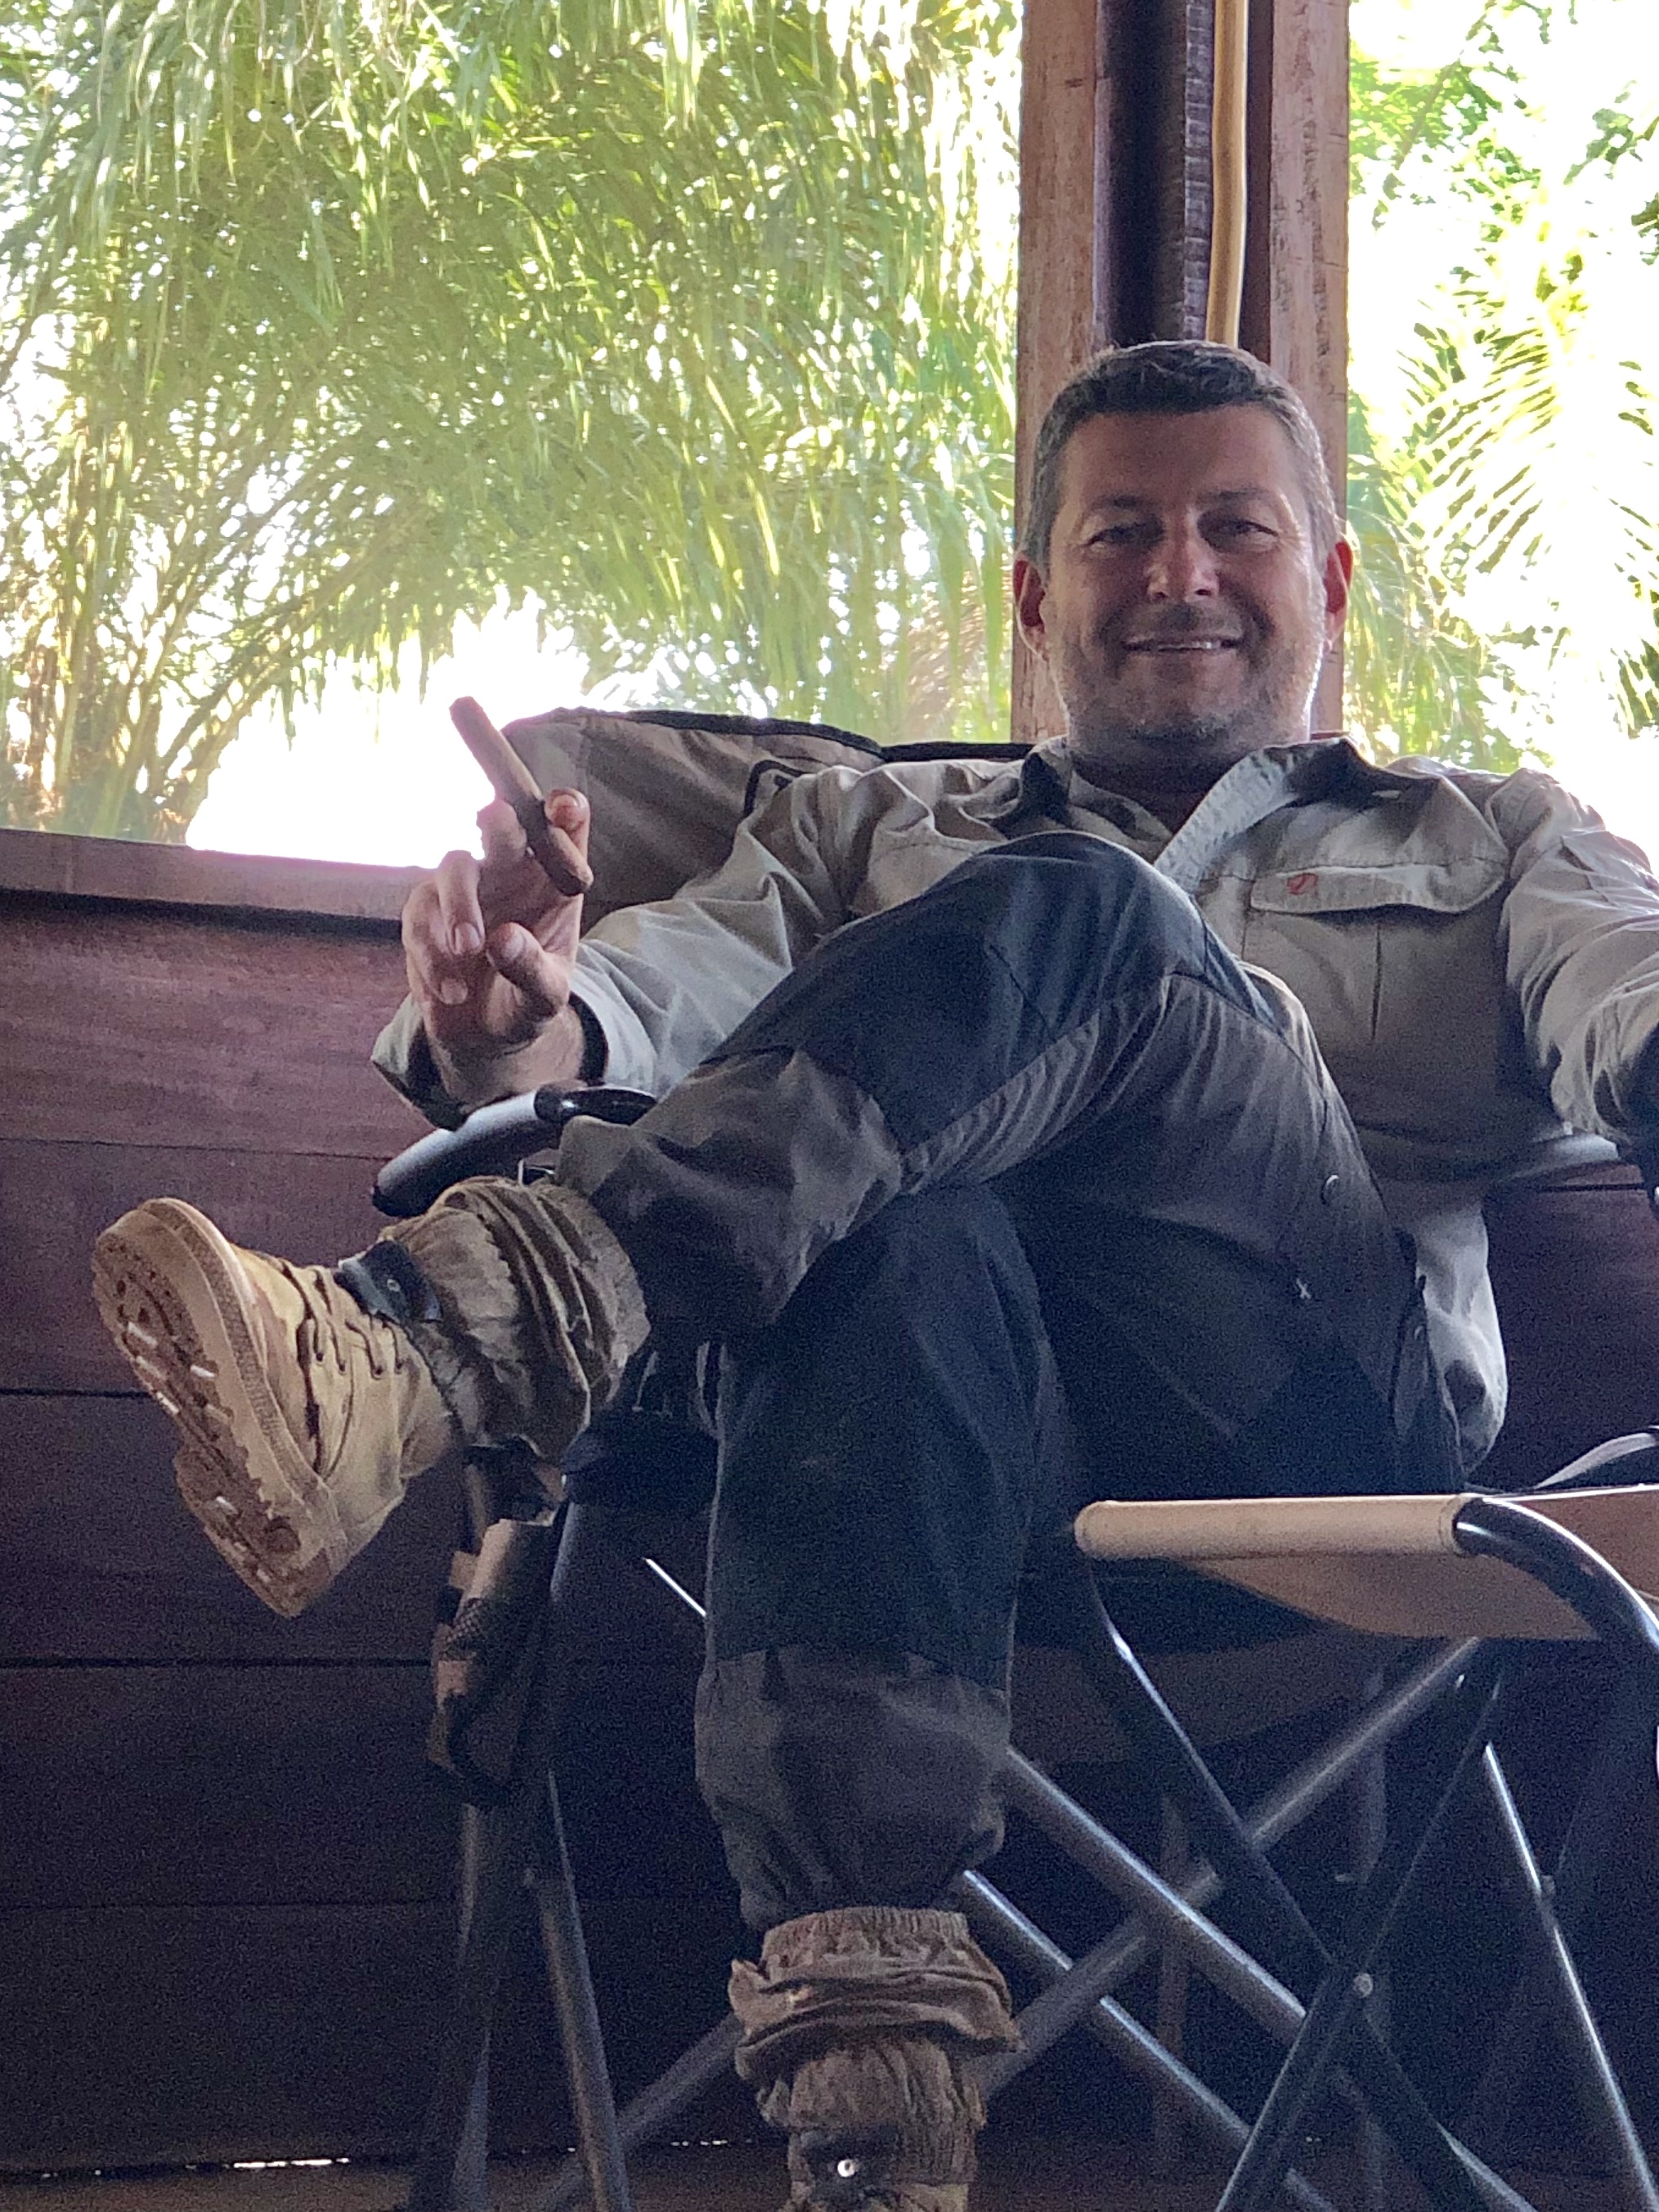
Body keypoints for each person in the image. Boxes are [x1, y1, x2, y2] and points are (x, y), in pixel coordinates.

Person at [92, 341, 1659, 2212]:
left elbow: (1629, 997)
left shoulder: (1489, 840)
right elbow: (627, 1016)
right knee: (900, 1224)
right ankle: (871, 2064)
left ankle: (451, 1338)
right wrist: (514, 1016)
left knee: (1090, 916)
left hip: (1300, 1447)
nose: (1177, 572)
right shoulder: (862, 833)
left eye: (1232, 528)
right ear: (1037, 595)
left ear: (1322, 576)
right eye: (1119, 532)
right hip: (906, 1463)